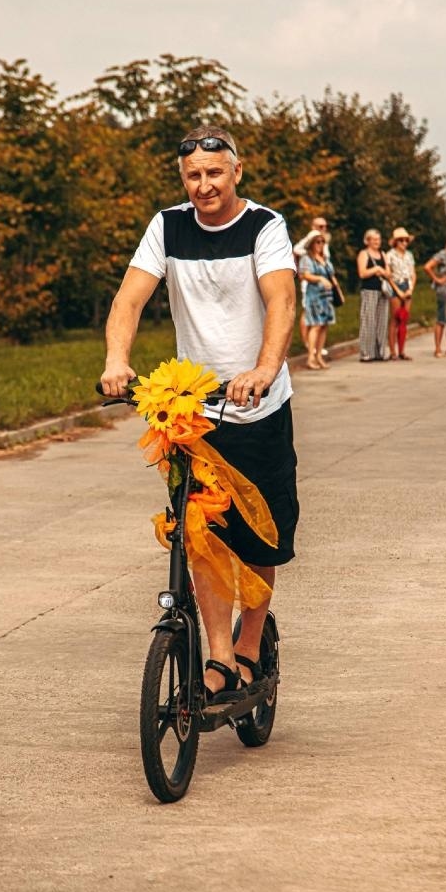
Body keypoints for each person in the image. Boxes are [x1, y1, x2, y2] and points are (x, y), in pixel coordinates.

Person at [100, 125, 298, 701]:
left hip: (258, 406)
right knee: (200, 533)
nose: (204, 185)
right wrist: (117, 360)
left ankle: (248, 645)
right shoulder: (168, 225)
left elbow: (281, 300)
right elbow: (129, 299)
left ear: (237, 172)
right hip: (195, 411)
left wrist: (263, 369)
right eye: (193, 176)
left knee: (262, 534)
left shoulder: (266, 227)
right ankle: (216, 654)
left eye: (215, 173)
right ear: (182, 179)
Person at [299, 232, 343, 369]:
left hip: (327, 297)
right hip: (314, 297)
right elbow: (304, 275)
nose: (320, 244)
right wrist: (320, 279)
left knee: (324, 326)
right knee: (316, 325)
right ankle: (311, 357)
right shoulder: (307, 258)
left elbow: (332, 276)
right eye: (317, 242)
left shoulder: (325, 259)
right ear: (311, 244)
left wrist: (339, 292)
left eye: (322, 242)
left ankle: (319, 356)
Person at [293, 216, 331, 349]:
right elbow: (296, 249)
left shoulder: (322, 239)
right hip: (311, 280)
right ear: (313, 227)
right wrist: (311, 254)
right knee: (307, 312)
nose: (324, 229)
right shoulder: (311, 237)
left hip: (322, 281)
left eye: (325, 226)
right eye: (321, 226)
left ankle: (316, 345)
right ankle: (308, 344)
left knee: (320, 315)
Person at [356, 229, 393, 362]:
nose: (377, 242)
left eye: (379, 239)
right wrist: (376, 270)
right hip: (369, 290)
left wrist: (383, 271)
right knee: (368, 321)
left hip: (382, 291)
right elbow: (362, 273)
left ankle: (380, 352)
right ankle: (366, 353)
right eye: (374, 239)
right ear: (368, 241)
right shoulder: (364, 254)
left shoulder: (383, 254)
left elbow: (388, 273)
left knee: (382, 322)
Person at [384, 227, 416, 360]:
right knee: (395, 319)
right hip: (395, 285)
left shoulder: (409, 255)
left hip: (407, 284)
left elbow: (413, 273)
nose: (404, 243)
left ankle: (402, 350)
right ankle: (392, 351)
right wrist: (397, 291)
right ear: (396, 242)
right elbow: (388, 275)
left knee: (404, 319)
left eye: (406, 240)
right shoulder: (390, 255)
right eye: (401, 240)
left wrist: (410, 289)